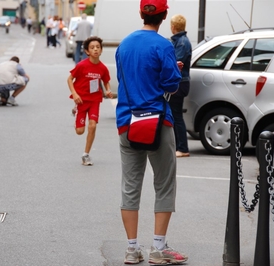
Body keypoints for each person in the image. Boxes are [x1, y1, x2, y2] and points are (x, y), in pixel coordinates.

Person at [115, 0, 188, 265]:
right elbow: (170, 82)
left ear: (141, 14)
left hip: (127, 122)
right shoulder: (164, 45)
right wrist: (175, 71)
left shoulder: (124, 44)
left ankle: (132, 249)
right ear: (164, 15)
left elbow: (125, 79)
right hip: (158, 123)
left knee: (130, 187)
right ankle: (159, 248)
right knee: (164, 184)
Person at [67, 36, 112, 166]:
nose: (95, 49)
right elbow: (69, 79)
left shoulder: (103, 68)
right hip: (81, 100)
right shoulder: (81, 65)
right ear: (87, 51)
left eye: (98, 47)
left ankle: (85, 155)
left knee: (92, 126)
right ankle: (75, 110)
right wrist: (74, 94)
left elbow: (106, 82)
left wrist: (107, 90)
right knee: (80, 131)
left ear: (101, 50)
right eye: (92, 48)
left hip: (94, 100)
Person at [168, 14, 192, 158]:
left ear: (173, 27)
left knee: (176, 115)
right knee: (175, 114)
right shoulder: (180, 40)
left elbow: (176, 62)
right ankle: (179, 145)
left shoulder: (182, 42)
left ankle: (182, 148)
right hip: (181, 82)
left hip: (180, 82)